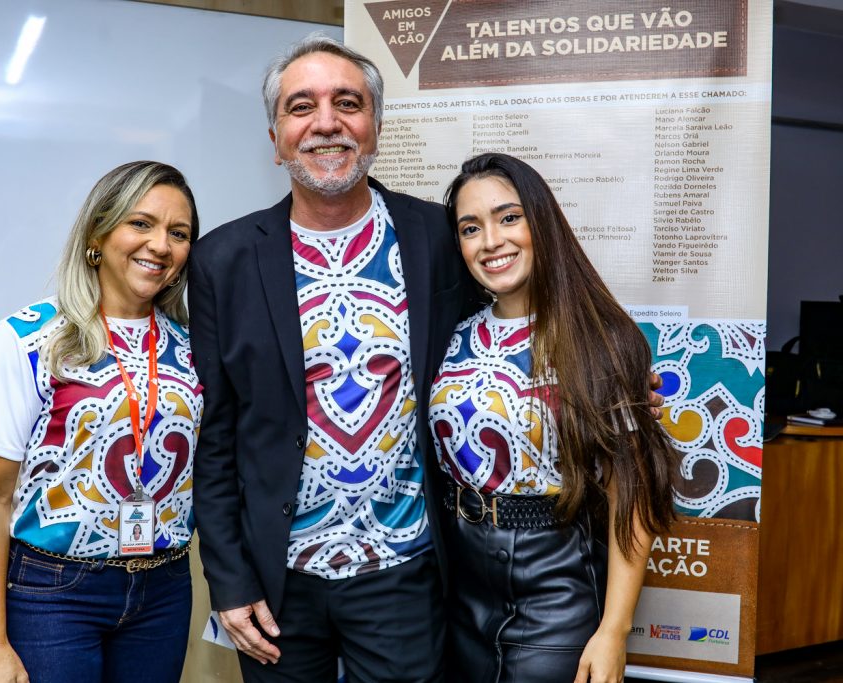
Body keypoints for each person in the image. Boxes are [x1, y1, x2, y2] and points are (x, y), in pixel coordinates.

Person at [187, 35, 468, 683]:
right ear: (276, 137)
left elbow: (515, 325)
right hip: (276, 585)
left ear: (374, 125)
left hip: (404, 569)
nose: (326, 122)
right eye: (301, 106)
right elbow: (215, 438)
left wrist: (615, 374)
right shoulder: (223, 262)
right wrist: (229, 581)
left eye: (348, 102)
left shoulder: (438, 238)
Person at [430, 152, 678, 683]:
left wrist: (614, 630)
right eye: (471, 228)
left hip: (557, 588)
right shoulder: (449, 337)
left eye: (509, 217)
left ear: (542, 220)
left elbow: (630, 495)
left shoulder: (604, 340)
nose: (491, 241)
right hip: (459, 586)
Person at [0, 161, 202, 683]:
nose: (160, 245)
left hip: (164, 590)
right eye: (141, 223)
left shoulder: (197, 346)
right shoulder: (30, 339)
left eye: (178, 233)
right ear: (98, 234)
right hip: (54, 592)